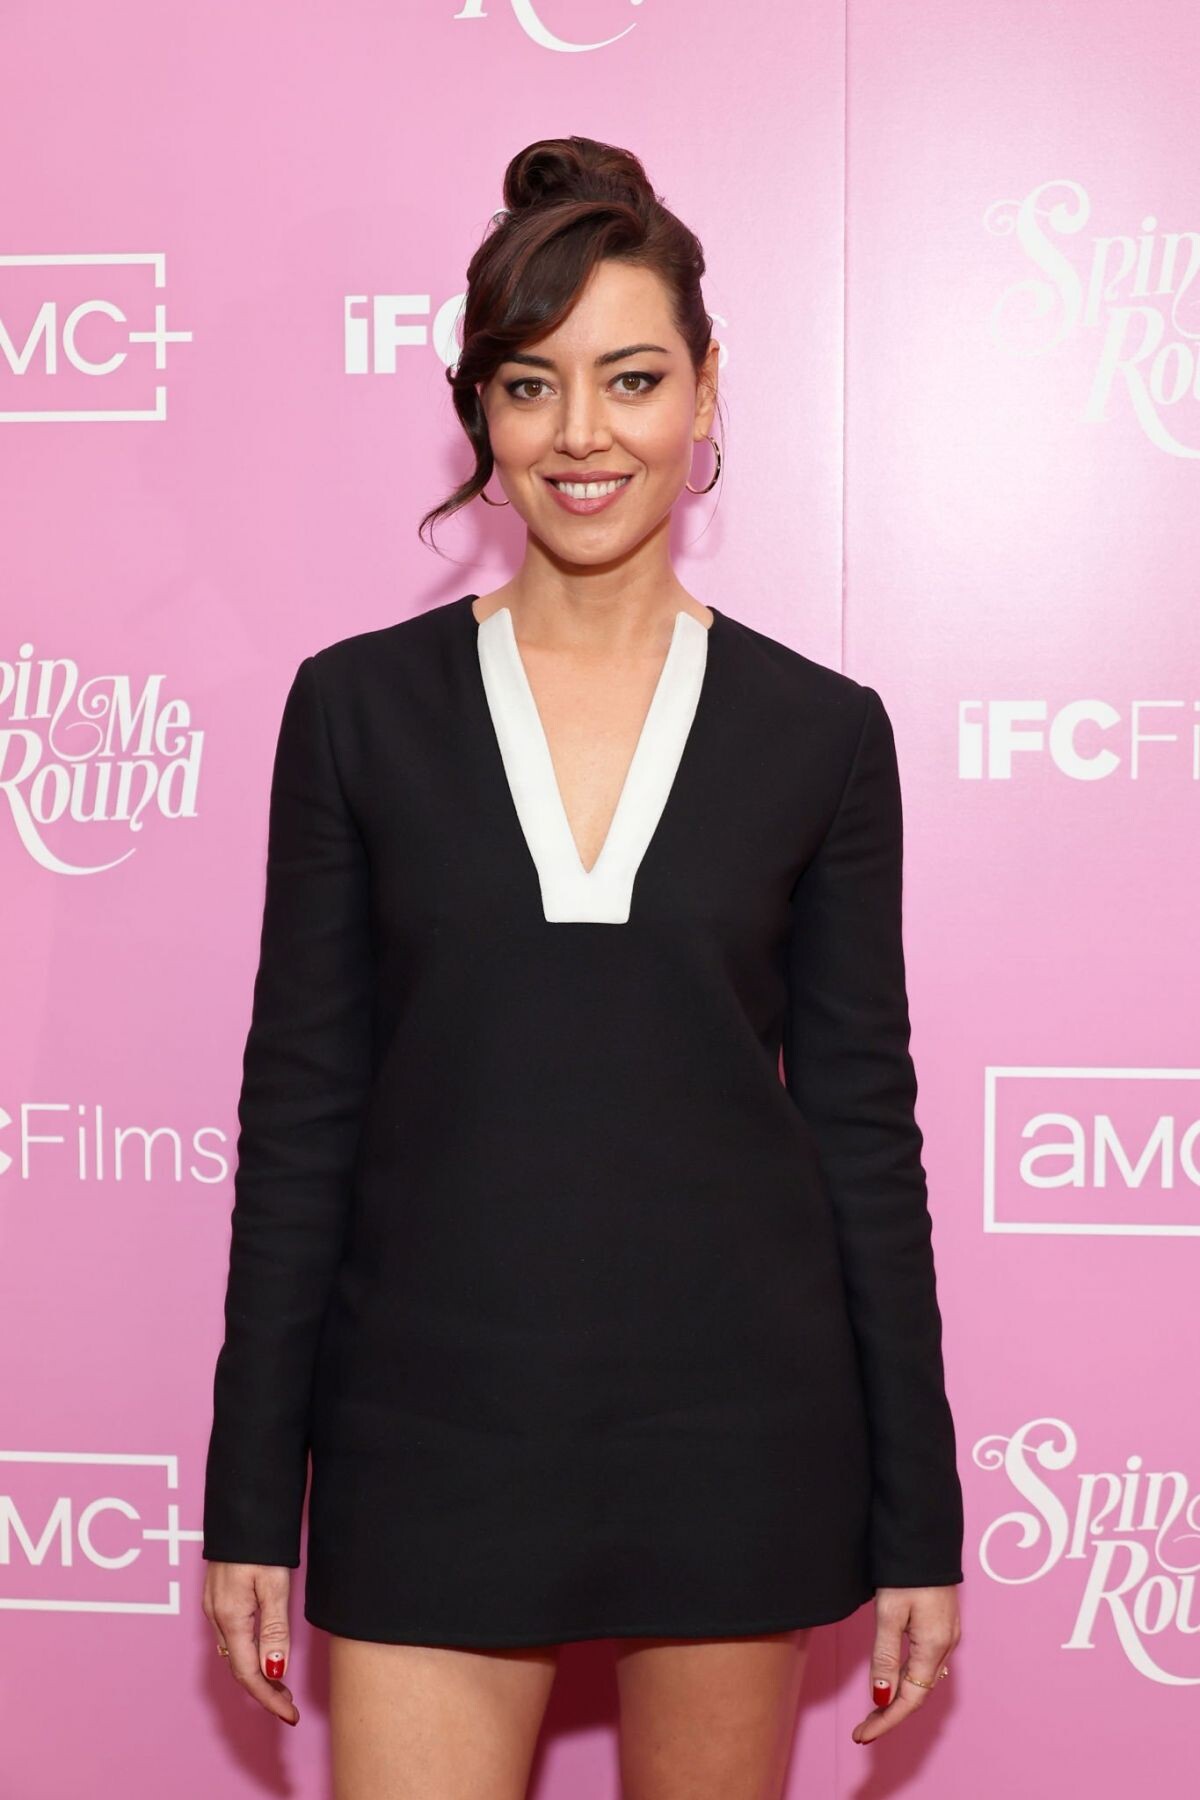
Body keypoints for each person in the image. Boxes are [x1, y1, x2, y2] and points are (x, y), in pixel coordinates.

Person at [201, 134, 964, 1799]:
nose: (583, 434)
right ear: (480, 412)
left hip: (737, 1437)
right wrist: (252, 1499)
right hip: (430, 1433)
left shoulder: (822, 734)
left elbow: (862, 1138)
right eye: (531, 386)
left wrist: (921, 1520)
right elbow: (302, 1122)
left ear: (705, 388)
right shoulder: (356, 711)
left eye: (631, 378)